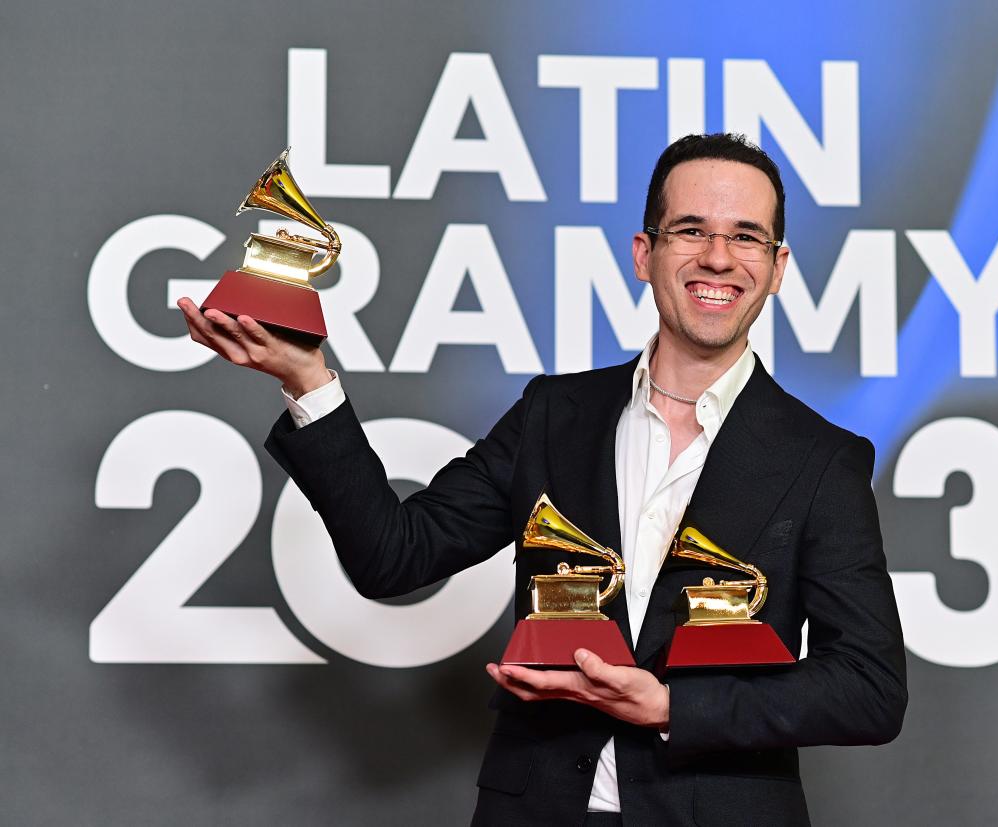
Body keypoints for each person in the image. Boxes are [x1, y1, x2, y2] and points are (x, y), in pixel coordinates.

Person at [179, 133, 906, 826]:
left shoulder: (823, 459)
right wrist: (309, 381)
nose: (718, 257)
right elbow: (393, 554)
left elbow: (870, 689)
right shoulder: (552, 414)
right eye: (690, 229)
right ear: (644, 255)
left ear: (777, 267)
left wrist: (671, 706)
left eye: (745, 236)